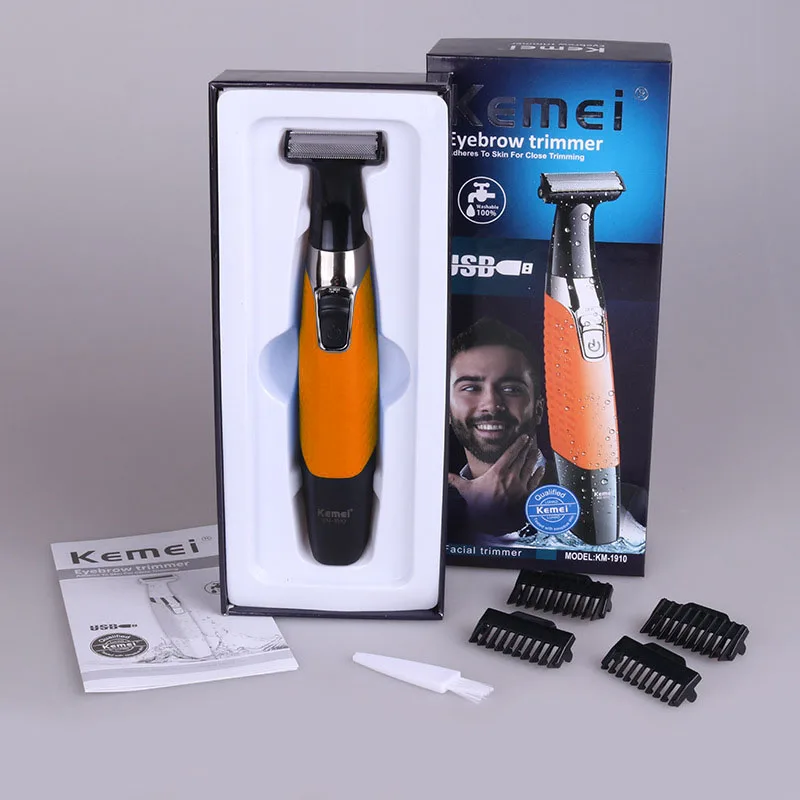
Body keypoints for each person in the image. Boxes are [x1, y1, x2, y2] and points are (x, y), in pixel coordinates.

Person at [447, 318, 556, 541]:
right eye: (470, 388)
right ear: (447, 411)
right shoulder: (423, 506)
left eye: (511, 389)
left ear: (538, 409)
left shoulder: (615, 506)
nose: (491, 404)